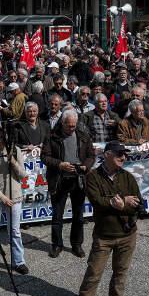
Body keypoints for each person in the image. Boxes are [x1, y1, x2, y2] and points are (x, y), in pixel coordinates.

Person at [70, 142, 142, 296]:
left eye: (124, 155)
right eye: (119, 154)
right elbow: (97, 202)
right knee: (94, 271)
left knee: (121, 272)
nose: (123, 158)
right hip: (104, 235)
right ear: (107, 154)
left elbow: (138, 206)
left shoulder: (128, 177)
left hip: (127, 234)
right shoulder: (93, 177)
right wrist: (117, 202)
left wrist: (122, 204)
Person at [42, 110, 94, 258]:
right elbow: (44, 156)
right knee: (57, 215)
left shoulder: (83, 135)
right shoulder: (52, 136)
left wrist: (86, 166)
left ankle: (76, 244)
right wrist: (60, 164)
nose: (71, 129)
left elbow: (91, 155)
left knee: (78, 216)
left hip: (78, 179)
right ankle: (56, 245)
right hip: (59, 179)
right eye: (69, 126)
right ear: (62, 123)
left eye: (73, 126)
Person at [0, 126, 29, 274]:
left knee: (14, 230)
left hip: (14, 196)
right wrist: (1, 197)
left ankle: (18, 261)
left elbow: (22, 175)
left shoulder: (16, 150)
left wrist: (12, 161)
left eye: (1, 138)